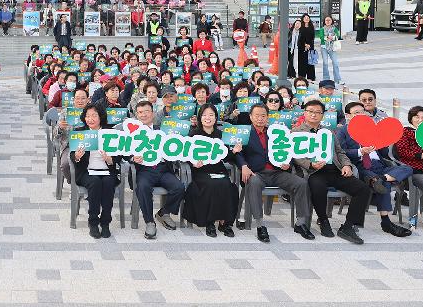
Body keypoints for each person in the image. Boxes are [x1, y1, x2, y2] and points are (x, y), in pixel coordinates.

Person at [292, 99, 370, 244]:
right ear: (305, 113)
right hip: (313, 172)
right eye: (310, 112)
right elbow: (294, 155)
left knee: (363, 189)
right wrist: (310, 164)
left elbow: (340, 152)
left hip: (335, 169)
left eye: (318, 112)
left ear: (322, 115)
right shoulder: (296, 132)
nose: (314, 115)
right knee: (318, 187)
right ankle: (323, 220)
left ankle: (348, 226)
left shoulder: (328, 132)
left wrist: (347, 165)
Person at [236, 103, 314, 243]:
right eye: (257, 116)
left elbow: (287, 151)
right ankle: (260, 225)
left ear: (268, 117)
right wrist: (244, 166)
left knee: (301, 183)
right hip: (256, 173)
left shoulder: (276, 133)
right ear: (250, 117)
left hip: (277, 172)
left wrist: (287, 164)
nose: (260, 118)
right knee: (253, 183)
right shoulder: (245, 133)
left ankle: (300, 223)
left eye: (263, 116)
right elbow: (238, 153)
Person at [337, 101, 412, 237]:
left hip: (381, 166)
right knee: (381, 184)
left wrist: (384, 141)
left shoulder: (371, 127)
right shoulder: (343, 131)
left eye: (363, 112)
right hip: (361, 165)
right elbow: (340, 152)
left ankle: (382, 179)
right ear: (348, 116)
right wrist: (360, 151)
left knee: (406, 169)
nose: (361, 115)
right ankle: (386, 222)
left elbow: (384, 154)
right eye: (357, 113)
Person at [130, 100, 185, 238]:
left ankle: (164, 213)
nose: (143, 115)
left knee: (179, 187)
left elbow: (174, 148)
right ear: (136, 115)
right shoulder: (131, 133)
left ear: (153, 113)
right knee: (142, 187)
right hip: (144, 170)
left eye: (146, 111)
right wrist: (132, 158)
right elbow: (124, 153)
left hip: (162, 168)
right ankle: (149, 222)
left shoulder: (163, 131)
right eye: (140, 112)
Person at [182, 105, 239, 237]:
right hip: (201, 171)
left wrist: (234, 151)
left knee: (228, 185)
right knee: (211, 185)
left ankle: (225, 223)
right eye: (205, 115)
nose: (208, 118)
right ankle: (209, 222)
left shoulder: (221, 134)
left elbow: (225, 156)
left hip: (218, 169)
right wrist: (193, 163)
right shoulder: (193, 134)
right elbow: (186, 155)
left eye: (211, 115)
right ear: (200, 118)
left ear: (216, 117)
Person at [72, 103, 120, 239]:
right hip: (87, 172)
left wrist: (110, 159)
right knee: (95, 183)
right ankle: (93, 222)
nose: (90, 119)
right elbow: (71, 154)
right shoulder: (80, 132)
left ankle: (105, 222)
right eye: (87, 116)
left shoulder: (110, 132)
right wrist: (77, 156)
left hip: (106, 170)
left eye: (94, 115)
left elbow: (119, 154)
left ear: (101, 117)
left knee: (108, 183)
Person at [318, 15, 342, 84]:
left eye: (329, 20)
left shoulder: (335, 29)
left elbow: (337, 36)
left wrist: (331, 37)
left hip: (332, 47)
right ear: (324, 22)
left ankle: (337, 79)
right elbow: (321, 37)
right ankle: (326, 78)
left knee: (335, 63)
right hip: (324, 47)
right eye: (326, 20)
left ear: (331, 21)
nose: (328, 21)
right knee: (325, 63)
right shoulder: (322, 29)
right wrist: (329, 37)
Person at [297, 14, 317, 81]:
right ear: (302, 19)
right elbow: (299, 38)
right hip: (302, 47)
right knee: (302, 62)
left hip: (310, 47)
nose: (306, 19)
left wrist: (309, 45)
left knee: (310, 62)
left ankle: (311, 77)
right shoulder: (300, 27)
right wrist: (304, 44)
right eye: (305, 18)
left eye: (308, 18)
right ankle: (301, 77)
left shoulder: (311, 27)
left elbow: (312, 38)